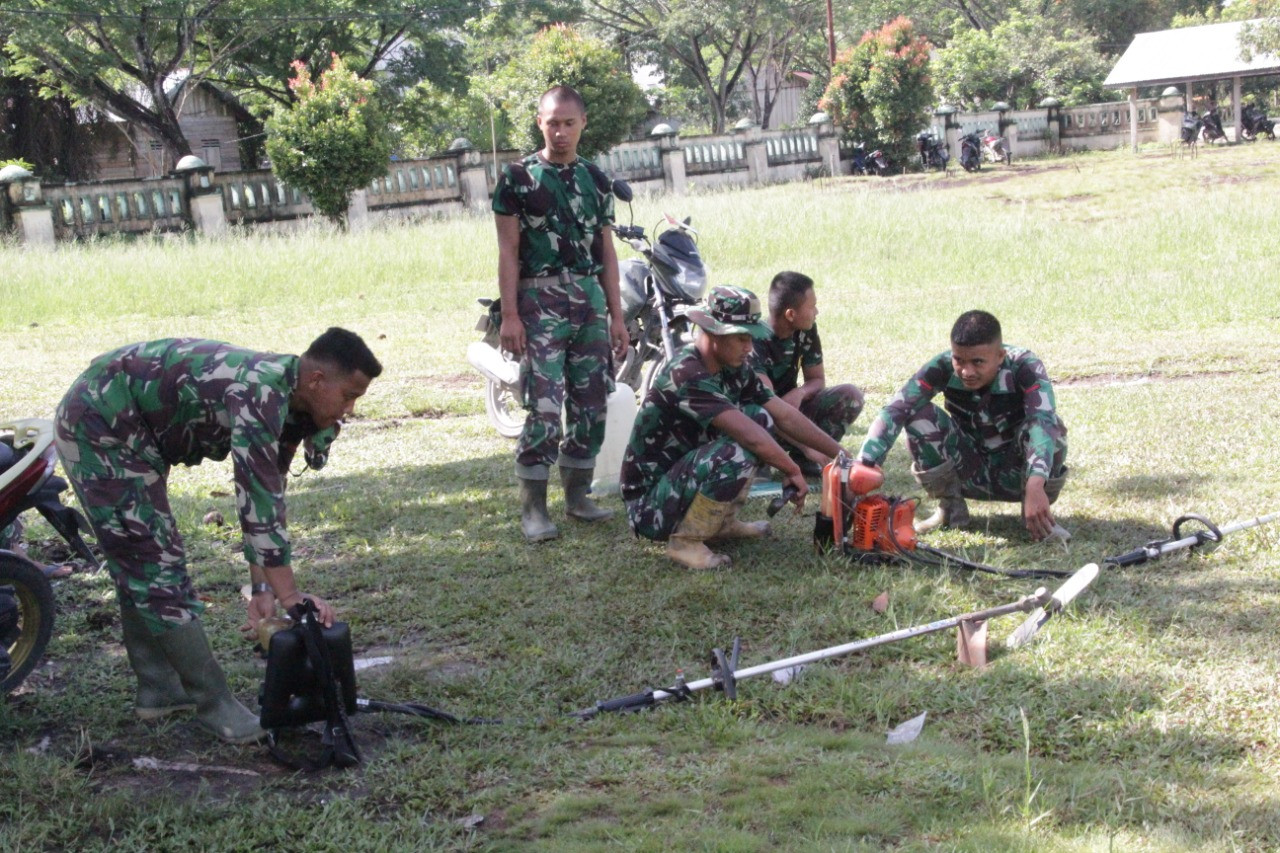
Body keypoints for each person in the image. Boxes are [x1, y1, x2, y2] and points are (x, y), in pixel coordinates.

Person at [53, 328, 381, 743]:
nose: (349, 409)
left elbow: (265, 494)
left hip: (134, 430)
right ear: (316, 381)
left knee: (142, 557)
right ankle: (214, 704)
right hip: (100, 423)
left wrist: (261, 587)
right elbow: (258, 505)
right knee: (152, 561)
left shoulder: (294, 399)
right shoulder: (261, 393)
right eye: (348, 395)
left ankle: (159, 690)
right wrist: (292, 599)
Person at [620, 286, 845, 569]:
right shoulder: (687, 373)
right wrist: (792, 468)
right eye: (741, 338)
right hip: (649, 507)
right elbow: (751, 439)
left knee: (760, 417)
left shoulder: (733, 367)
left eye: (750, 338)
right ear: (714, 333)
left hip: (682, 479)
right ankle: (685, 542)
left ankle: (722, 522)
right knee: (738, 450)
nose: (749, 347)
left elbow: (783, 414)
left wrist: (843, 456)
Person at [492, 84, 629, 543]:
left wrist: (616, 315)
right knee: (545, 407)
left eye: (569, 123)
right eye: (553, 123)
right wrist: (510, 316)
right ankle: (533, 509)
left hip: (588, 302)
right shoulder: (517, 178)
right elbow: (508, 252)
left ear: (583, 123)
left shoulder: (596, 179)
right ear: (539, 123)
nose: (561, 132)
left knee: (592, 404)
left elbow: (606, 252)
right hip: (539, 303)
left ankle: (578, 497)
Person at [854, 310, 1069, 541]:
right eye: (959, 360)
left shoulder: (1025, 365)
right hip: (969, 468)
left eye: (978, 362)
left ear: (1000, 356)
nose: (966, 372)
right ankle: (951, 510)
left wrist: (1036, 485)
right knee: (919, 415)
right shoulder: (942, 366)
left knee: (1050, 428)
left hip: (1018, 473)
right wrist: (865, 463)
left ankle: (1037, 517)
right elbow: (896, 409)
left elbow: (1043, 421)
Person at [751, 271, 864, 477]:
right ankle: (765, 460)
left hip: (792, 415)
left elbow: (817, 379)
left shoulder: (805, 330)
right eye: (811, 307)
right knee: (759, 413)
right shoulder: (755, 342)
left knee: (850, 396)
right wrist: (807, 446)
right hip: (762, 422)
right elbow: (770, 407)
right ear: (790, 315)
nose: (816, 311)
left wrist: (800, 393)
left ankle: (804, 461)